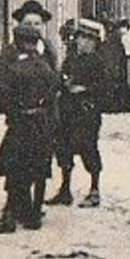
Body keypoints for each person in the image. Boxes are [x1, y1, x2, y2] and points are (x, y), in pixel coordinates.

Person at [0, 3, 60, 232]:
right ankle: (17, 207)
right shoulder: (10, 52)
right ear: (20, 27)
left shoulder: (48, 50)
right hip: (20, 117)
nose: (33, 28)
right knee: (16, 163)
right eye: (28, 24)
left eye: (37, 24)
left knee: (37, 164)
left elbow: (53, 82)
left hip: (43, 117)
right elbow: (1, 81)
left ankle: (30, 210)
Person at [47, 19, 109, 208]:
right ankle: (65, 189)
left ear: (95, 42)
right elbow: (62, 78)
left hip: (87, 113)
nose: (84, 43)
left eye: (89, 39)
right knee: (64, 149)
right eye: (81, 38)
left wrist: (85, 90)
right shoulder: (71, 59)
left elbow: (105, 89)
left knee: (88, 148)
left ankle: (94, 189)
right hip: (67, 111)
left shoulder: (98, 62)